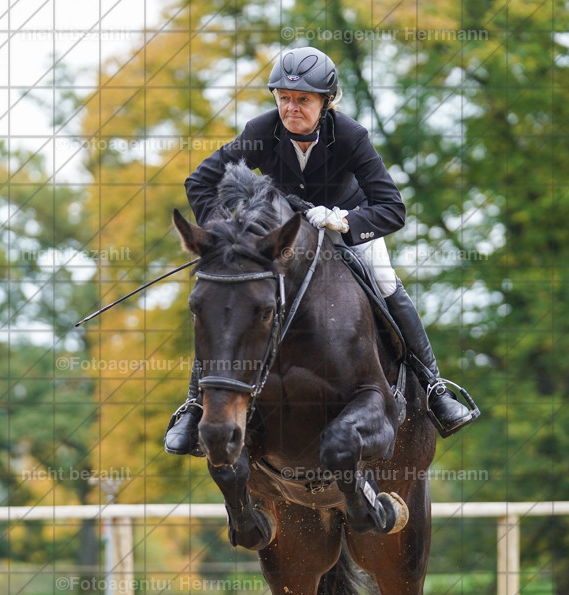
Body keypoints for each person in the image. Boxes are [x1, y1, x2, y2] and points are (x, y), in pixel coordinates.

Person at [165, 46, 479, 455]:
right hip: (280, 239)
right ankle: (194, 404)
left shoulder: (349, 136)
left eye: (303, 100)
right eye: (283, 98)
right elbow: (199, 183)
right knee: (229, 295)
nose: (291, 108)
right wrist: (229, 234)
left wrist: (344, 221)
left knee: (384, 280)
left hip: (342, 229)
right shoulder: (262, 131)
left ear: (326, 102)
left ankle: (434, 386)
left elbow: (392, 208)